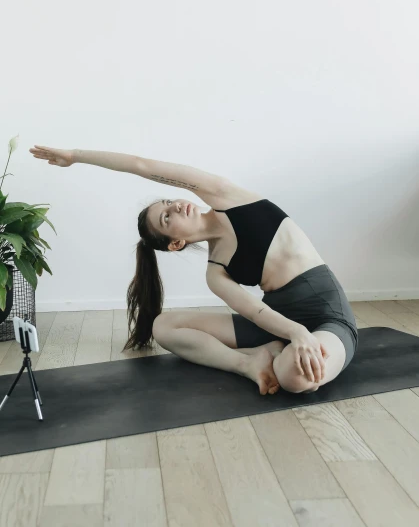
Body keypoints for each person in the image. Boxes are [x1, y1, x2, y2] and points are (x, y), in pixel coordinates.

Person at [29, 145, 358, 397]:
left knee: (294, 377)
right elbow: (258, 312)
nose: (174, 207)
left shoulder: (227, 196)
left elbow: (143, 166)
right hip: (278, 321)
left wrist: (75, 155)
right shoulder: (216, 272)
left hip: (328, 316)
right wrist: (295, 333)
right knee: (163, 326)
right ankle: (249, 363)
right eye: (167, 219)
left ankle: (281, 353)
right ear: (175, 243)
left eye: (169, 202)